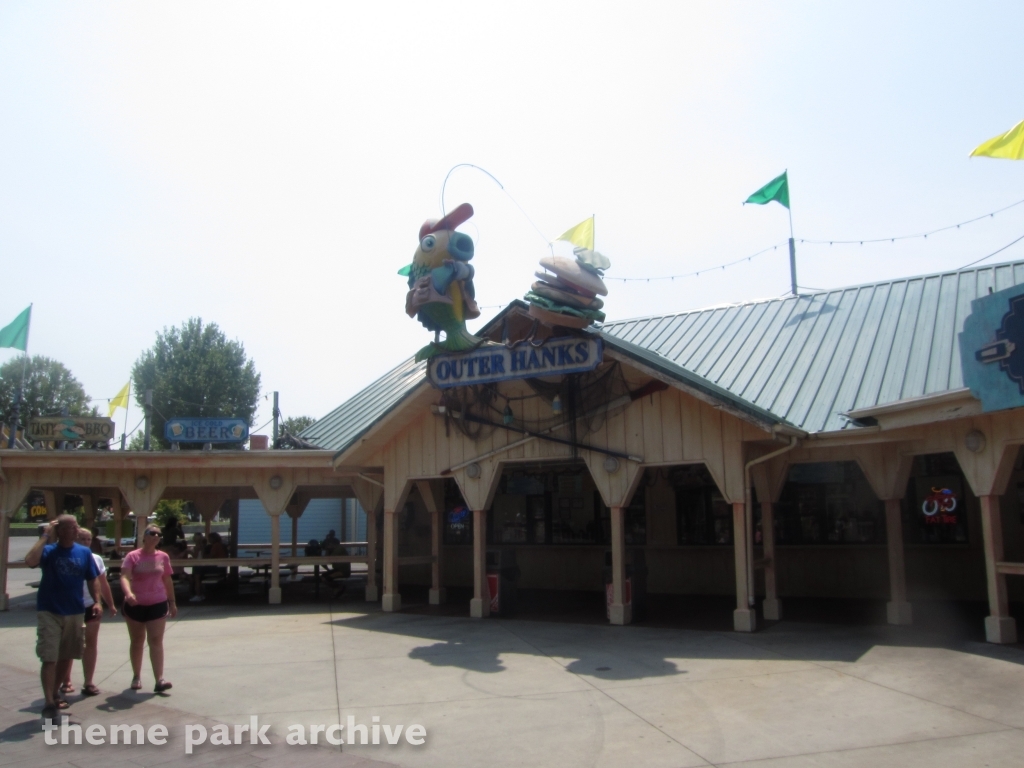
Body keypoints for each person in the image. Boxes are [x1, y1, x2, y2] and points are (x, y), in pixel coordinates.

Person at [24, 515, 100, 720]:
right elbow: (30, 560)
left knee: (67, 655)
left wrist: (97, 601)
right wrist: (45, 535)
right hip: (49, 610)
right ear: (61, 530)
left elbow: (93, 579)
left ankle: (55, 692)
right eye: (72, 527)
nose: (77, 530)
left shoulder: (84, 552)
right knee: (50, 656)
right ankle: (48, 702)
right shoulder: (48, 551)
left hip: (75, 610)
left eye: (77, 526)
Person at [120, 524, 177, 693]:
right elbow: (124, 576)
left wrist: (172, 602)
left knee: (156, 641)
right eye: (151, 533)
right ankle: (136, 676)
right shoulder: (133, 556)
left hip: (157, 602)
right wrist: (128, 593)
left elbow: (167, 579)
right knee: (137, 641)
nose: (155, 536)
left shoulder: (163, 557)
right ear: (144, 536)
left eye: (158, 535)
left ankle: (159, 679)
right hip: (136, 603)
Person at [61, 529, 117, 697]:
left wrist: (110, 604)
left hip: (91, 605)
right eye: (82, 539)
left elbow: (103, 583)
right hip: (71, 606)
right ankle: (66, 680)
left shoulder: (96, 559)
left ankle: (88, 682)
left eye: (88, 539)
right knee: (69, 644)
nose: (86, 542)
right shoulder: (67, 557)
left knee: (90, 643)